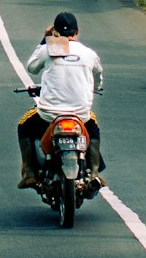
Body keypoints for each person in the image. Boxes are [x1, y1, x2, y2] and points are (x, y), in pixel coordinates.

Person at [16, 11, 104, 191]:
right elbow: (98, 77)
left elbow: (32, 67)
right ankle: (94, 173)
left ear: (55, 32)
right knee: (93, 130)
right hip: (80, 114)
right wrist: (95, 88)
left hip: (50, 113)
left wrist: (44, 39)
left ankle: (30, 173)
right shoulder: (89, 53)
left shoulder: (49, 47)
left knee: (23, 126)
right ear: (77, 31)